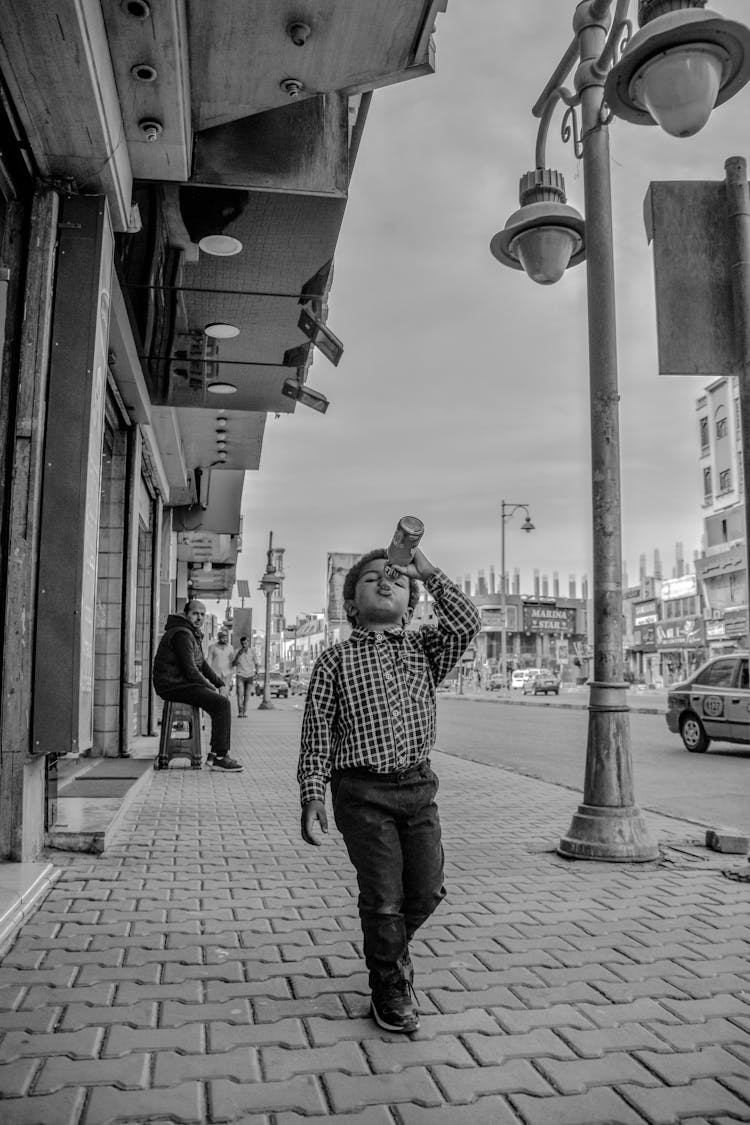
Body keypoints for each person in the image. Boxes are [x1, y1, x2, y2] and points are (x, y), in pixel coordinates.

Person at [297, 544, 480, 1033]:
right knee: (382, 897)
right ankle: (389, 984)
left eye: (397, 580)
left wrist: (429, 572)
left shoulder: (425, 651)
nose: (386, 582)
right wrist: (313, 792)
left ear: (412, 602)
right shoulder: (334, 661)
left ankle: (389, 949)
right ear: (351, 605)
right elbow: (317, 733)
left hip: (418, 788)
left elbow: (465, 623)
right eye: (372, 578)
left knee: (426, 889)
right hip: (361, 792)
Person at [153, 600, 243, 772]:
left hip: (181, 683)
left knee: (220, 702)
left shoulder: (191, 633)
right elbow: (190, 670)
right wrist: (212, 688)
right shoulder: (182, 634)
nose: (199, 617)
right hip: (173, 685)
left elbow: (202, 665)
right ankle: (220, 757)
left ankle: (215, 754)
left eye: (202, 614)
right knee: (221, 704)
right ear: (186, 614)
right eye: (195, 613)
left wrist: (220, 684)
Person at [232, 634, 256, 717]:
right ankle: (240, 712)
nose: (244, 645)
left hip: (250, 676)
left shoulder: (252, 651)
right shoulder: (237, 651)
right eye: (242, 643)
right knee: (240, 694)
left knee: (247, 696)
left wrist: (256, 672)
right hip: (240, 675)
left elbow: (256, 662)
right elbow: (233, 664)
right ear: (241, 643)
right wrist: (238, 654)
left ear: (248, 643)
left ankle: (244, 712)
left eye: (246, 643)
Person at [207, 629, 234, 696]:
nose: (225, 639)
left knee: (224, 693)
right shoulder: (212, 647)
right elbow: (209, 660)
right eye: (223, 637)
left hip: (227, 673)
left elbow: (232, 661)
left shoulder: (230, 647)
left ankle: (224, 704)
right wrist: (208, 672)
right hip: (215, 673)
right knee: (214, 692)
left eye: (226, 637)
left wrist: (232, 673)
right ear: (219, 638)